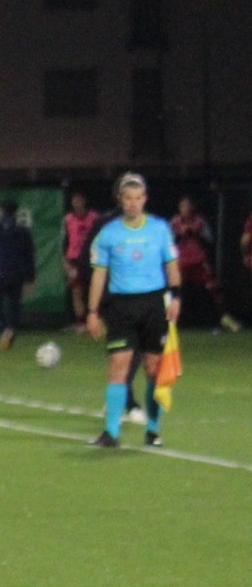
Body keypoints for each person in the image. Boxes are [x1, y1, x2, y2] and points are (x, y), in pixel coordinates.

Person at [86, 172, 180, 448]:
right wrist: (92, 312)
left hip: (154, 304)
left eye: (138, 198)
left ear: (145, 199)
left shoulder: (160, 229)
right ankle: (111, 432)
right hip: (121, 307)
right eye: (128, 198)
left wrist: (176, 297)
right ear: (120, 200)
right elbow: (98, 275)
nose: (133, 203)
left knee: (154, 369)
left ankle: (152, 430)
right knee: (118, 365)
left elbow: (172, 265)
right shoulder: (108, 234)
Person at [0, 198, 36, 348]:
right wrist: (30, 278)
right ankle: (10, 330)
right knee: (14, 306)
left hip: (0, 272)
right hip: (17, 273)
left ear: (0, 211)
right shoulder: (23, 232)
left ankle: (4, 329)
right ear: (16, 212)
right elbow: (29, 256)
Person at [171, 195, 234, 329]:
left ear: (192, 207)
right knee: (173, 289)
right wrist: (180, 234)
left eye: (187, 206)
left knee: (213, 288)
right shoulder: (175, 222)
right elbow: (168, 241)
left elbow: (210, 240)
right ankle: (168, 320)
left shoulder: (199, 221)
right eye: (182, 206)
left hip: (198, 262)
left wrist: (196, 232)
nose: (185, 209)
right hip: (181, 262)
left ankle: (224, 317)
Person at [62, 190, 98, 329]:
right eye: (74, 200)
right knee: (76, 292)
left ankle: (95, 319)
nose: (76, 203)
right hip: (75, 259)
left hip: (91, 258)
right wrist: (67, 264)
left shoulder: (94, 217)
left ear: (84, 201)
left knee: (93, 290)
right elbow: (64, 243)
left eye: (79, 200)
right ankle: (81, 322)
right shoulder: (68, 219)